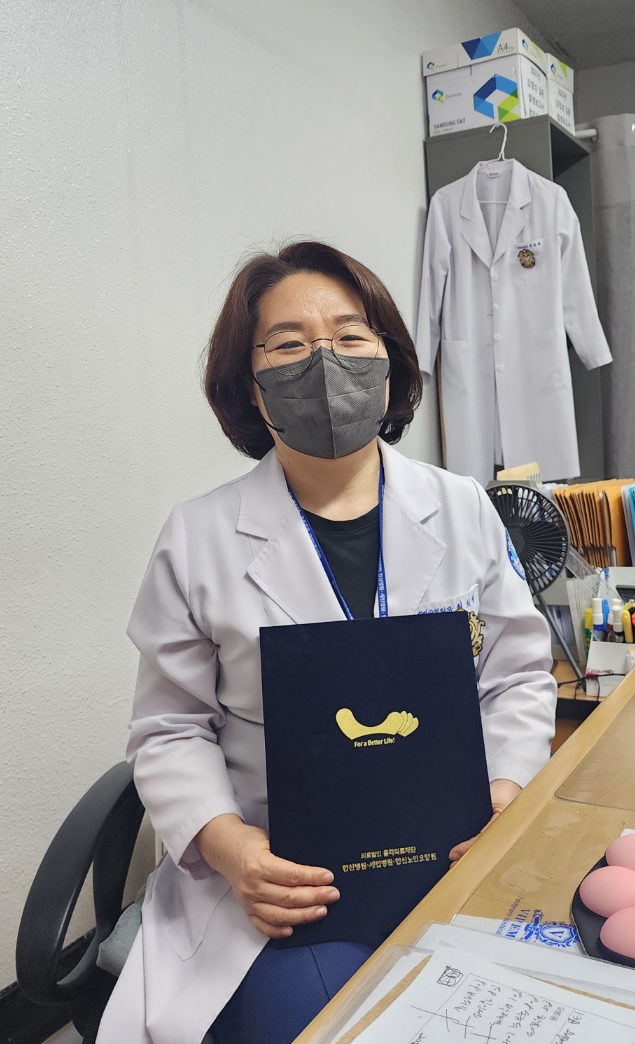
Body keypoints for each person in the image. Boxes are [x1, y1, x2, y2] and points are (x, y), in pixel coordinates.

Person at [97, 241, 557, 1044]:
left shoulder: (460, 508)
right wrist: (232, 849)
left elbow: (516, 676)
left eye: (350, 336)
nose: (324, 362)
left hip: (453, 847)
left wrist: (506, 790)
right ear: (250, 386)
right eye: (287, 344)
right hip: (283, 884)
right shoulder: (198, 537)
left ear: (389, 359)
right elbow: (170, 728)